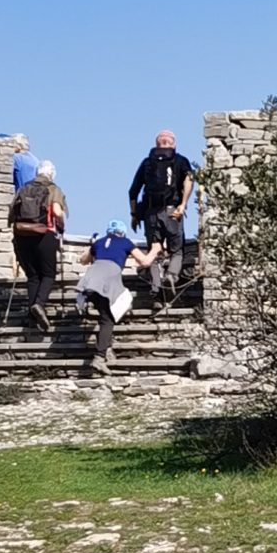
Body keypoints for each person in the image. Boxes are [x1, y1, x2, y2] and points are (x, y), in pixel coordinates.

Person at [76, 220, 161, 376]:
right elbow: (145, 262)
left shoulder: (99, 242)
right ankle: (99, 357)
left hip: (90, 280)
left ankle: (106, 347)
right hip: (108, 279)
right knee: (109, 317)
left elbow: (83, 260)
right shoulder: (125, 242)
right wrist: (155, 250)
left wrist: (93, 247)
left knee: (105, 315)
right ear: (123, 232)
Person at [128, 129, 193, 311]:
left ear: (157, 144)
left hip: (151, 214)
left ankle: (156, 294)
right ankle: (171, 276)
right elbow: (190, 178)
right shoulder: (180, 160)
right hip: (172, 211)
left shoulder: (147, 162)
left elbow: (133, 191)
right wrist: (183, 204)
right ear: (174, 144)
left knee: (154, 251)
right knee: (177, 250)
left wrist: (134, 215)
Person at [7, 159, 67, 332]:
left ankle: (32, 319)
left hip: (22, 234)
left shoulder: (23, 188)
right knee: (48, 274)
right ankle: (39, 304)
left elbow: (11, 213)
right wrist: (62, 225)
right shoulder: (53, 189)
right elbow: (57, 212)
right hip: (44, 234)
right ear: (52, 173)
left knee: (33, 276)